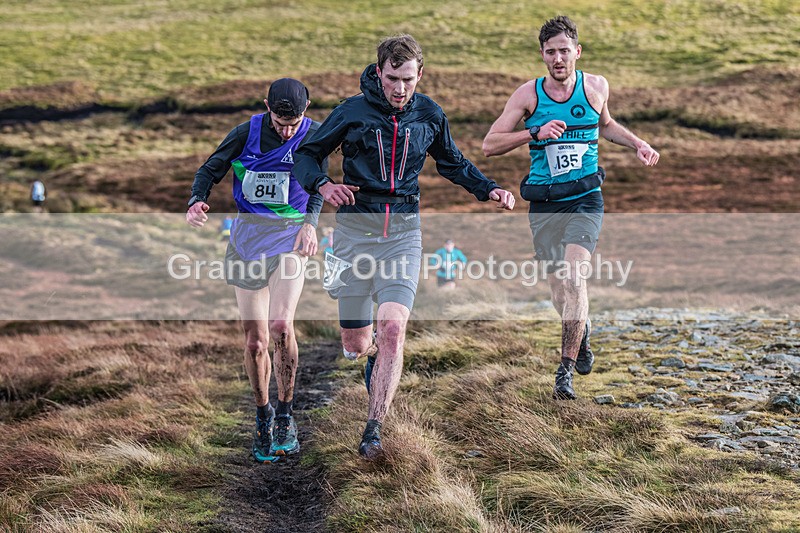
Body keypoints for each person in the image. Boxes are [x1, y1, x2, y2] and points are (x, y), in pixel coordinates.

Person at [294, 34, 515, 459]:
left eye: (408, 80)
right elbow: (308, 154)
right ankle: (373, 354)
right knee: (357, 344)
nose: (400, 89)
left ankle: (373, 428)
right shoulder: (352, 111)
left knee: (394, 326)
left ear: (420, 75)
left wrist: (488, 189)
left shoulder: (429, 114)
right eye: (392, 79)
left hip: (404, 233)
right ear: (379, 73)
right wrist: (322, 183)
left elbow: (452, 162)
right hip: (355, 233)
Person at [482, 15, 659, 400]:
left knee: (574, 275)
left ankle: (564, 371)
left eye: (565, 51)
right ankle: (581, 330)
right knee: (559, 290)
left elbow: (606, 125)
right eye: (551, 52)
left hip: (585, 198)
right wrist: (534, 132)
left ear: (577, 52)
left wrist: (638, 144)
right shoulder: (528, 95)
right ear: (542, 56)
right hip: (545, 203)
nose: (558, 58)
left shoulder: (596, 86)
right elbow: (489, 144)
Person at [186, 78, 327, 462]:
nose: (287, 130)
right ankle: (262, 414)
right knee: (256, 341)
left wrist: (311, 224)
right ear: (266, 106)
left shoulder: (315, 134)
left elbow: (318, 185)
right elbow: (210, 169)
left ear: (307, 108)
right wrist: (197, 201)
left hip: (290, 238)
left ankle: (286, 413)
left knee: (282, 325)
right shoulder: (244, 133)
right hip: (247, 240)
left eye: (294, 121)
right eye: (280, 122)